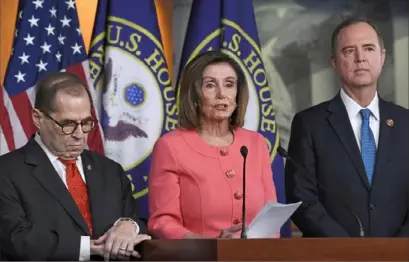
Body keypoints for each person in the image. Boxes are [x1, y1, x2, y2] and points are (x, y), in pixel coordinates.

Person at [0, 72, 151, 260]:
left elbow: (136, 219)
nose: (80, 135)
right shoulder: (6, 172)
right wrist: (87, 248)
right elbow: (15, 239)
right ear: (38, 118)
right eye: (68, 124)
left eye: (86, 123)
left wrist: (129, 225)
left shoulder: (110, 170)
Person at [285, 17, 409, 237]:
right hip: (333, 255)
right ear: (334, 61)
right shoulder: (309, 124)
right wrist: (349, 250)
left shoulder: (405, 122)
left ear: (382, 56)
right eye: (349, 51)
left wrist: (395, 248)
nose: (360, 58)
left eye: (369, 49)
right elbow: (302, 198)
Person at [147, 51, 278, 239]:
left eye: (229, 85)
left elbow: (270, 219)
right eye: (210, 85)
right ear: (194, 94)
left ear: (238, 93)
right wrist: (211, 245)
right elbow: (162, 222)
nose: (221, 94)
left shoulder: (255, 143)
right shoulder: (170, 147)